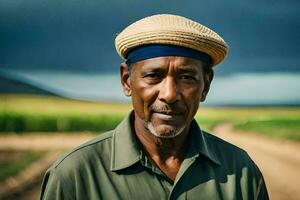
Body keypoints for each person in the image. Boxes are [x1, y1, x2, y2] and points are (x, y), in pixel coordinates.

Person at [40, 14, 269, 200]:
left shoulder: (241, 173)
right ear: (127, 81)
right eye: (153, 75)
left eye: (187, 77)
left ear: (206, 85)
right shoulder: (75, 176)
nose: (169, 95)